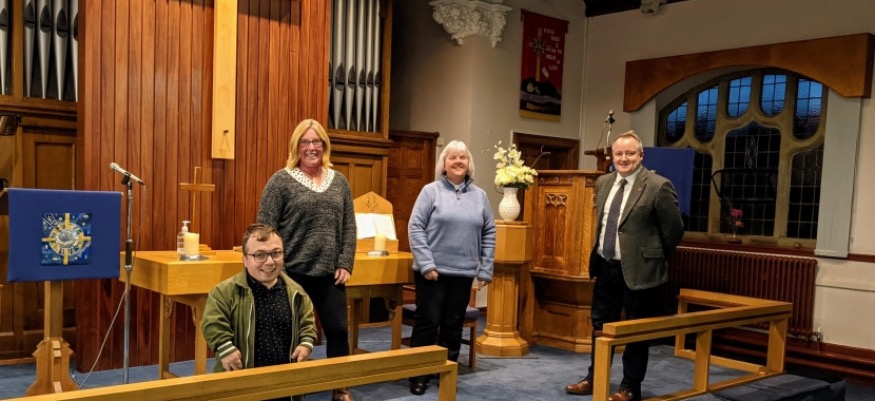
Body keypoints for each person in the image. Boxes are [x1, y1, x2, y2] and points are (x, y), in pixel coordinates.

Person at [564, 131, 684, 401]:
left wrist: (652, 256)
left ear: (641, 156)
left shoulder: (658, 186)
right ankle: (595, 379)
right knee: (600, 327)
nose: (624, 158)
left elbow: (674, 230)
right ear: (612, 156)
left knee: (636, 330)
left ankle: (630, 387)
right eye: (619, 153)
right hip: (606, 266)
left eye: (630, 153)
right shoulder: (604, 182)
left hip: (641, 272)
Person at [257, 119, 357, 401]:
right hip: (291, 274)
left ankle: (341, 388)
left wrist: (345, 261)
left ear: (324, 145)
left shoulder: (340, 182)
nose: (311, 147)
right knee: (289, 334)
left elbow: (349, 226)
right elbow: (265, 228)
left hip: (329, 274)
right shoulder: (281, 181)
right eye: (305, 142)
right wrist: (273, 267)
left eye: (316, 142)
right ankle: (290, 391)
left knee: (338, 331)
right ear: (296, 146)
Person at [406, 140, 496, 396]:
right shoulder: (430, 191)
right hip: (432, 273)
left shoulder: (480, 196)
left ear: (469, 164)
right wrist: (426, 264)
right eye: (452, 157)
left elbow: (489, 232)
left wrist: (485, 267)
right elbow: (415, 227)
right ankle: (419, 375)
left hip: (463, 273)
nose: (458, 161)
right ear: (444, 164)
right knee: (427, 323)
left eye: (463, 157)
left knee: (453, 326)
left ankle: (446, 373)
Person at [201, 223, 317, 401]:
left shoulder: (297, 293)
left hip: (285, 385)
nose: (270, 262)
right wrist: (225, 348)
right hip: (241, 384)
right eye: (259, 255)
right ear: (245, 260)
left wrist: (306, 344)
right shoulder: (224, 292)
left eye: (276, 253)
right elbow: (212, 324)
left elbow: (307, 325)